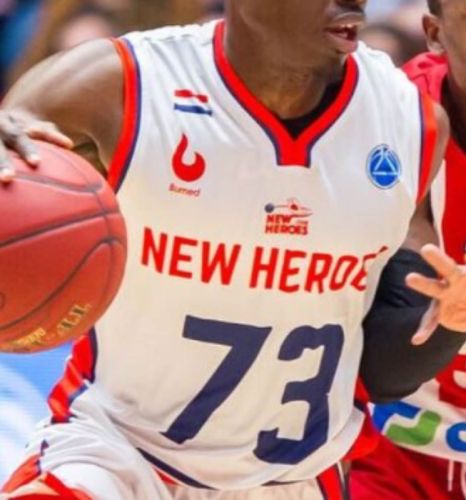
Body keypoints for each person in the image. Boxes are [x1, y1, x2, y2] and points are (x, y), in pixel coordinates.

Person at [0, 0, 465, 498]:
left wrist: (449, 321)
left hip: (291, 479)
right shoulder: (117, 83)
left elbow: (386, 369)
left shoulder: (408, 121)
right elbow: (15, 141)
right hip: (117, 454)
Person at [351, 0, 466, 499]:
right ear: (435, 35)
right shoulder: (399, 116)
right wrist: (451, 319)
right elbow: (384, 366)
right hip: (398, 445)